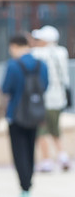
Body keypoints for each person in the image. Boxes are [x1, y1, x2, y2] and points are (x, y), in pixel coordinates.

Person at [1, 33, 49, 197]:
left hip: (16, 114)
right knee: (30, 151)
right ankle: (28, 187)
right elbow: (45, 85)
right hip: (35, 113)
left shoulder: (13, 66)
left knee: (19, 152)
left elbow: (6, 88)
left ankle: (24, 189)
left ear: (14, 46)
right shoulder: (41, 65)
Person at [31, 25, 71, 172]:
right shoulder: (62, 52)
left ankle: (46, 160)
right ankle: (62, 156)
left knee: (42, 130)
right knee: (55, 129)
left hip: (43, 98)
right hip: (59, 98)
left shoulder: (37, 53)